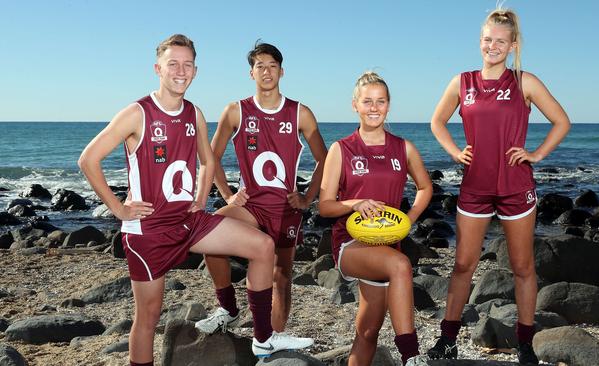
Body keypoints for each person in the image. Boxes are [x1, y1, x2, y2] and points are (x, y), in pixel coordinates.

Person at [78, 34, 312, 364]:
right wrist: (118, 209)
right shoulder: (136, 113)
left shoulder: (194, 114)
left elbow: (208, 160)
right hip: (149, 230)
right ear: (158, 68)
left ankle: (263, 340)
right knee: (148, 318)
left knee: (263, 247)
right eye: (173, 63)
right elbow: (88, 160)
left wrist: (202, 198)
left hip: (189, 221)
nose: (180, 70)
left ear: (195, 71)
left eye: (187, 64)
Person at [427, 8, 571, 365]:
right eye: (488, 40)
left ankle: (524, 342)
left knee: (522, 267)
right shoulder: (462, 82)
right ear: (480, 42)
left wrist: (535, 154)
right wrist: (455, 152)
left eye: (500, 41)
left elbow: (562, 121)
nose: (493, 46)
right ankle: (448, 340)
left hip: (515, 187)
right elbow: (436, 122)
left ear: (512, 45)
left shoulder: (524, 81)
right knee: (462, 265)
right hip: (475, 186)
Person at [194, 40, 326, 342]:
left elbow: (325, 159)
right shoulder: (236, 111)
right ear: (251, 73)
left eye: (272, 66)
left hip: (285, 208)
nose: (266, 72)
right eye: (260, 66)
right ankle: (228, 307)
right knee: (208, 234)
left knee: (282, 277)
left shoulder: (300, 113)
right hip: (250, 206)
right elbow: (210, 157)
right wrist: (228, 194)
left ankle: (272, 341)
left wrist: (307, 197)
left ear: (281, 71)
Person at [318, 71, 433, 366]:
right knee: (401, 265)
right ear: (354, 104)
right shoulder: (340, 149)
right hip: (350, 245)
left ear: (388, 105)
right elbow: (325, 207)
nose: (374, 107)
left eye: (380, 101)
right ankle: (411, 356)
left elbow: (425, 187)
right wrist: (355, 203)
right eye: (367, 101)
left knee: (368, 332)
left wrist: (409, 219)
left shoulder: (403, 147)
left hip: (386, 245)